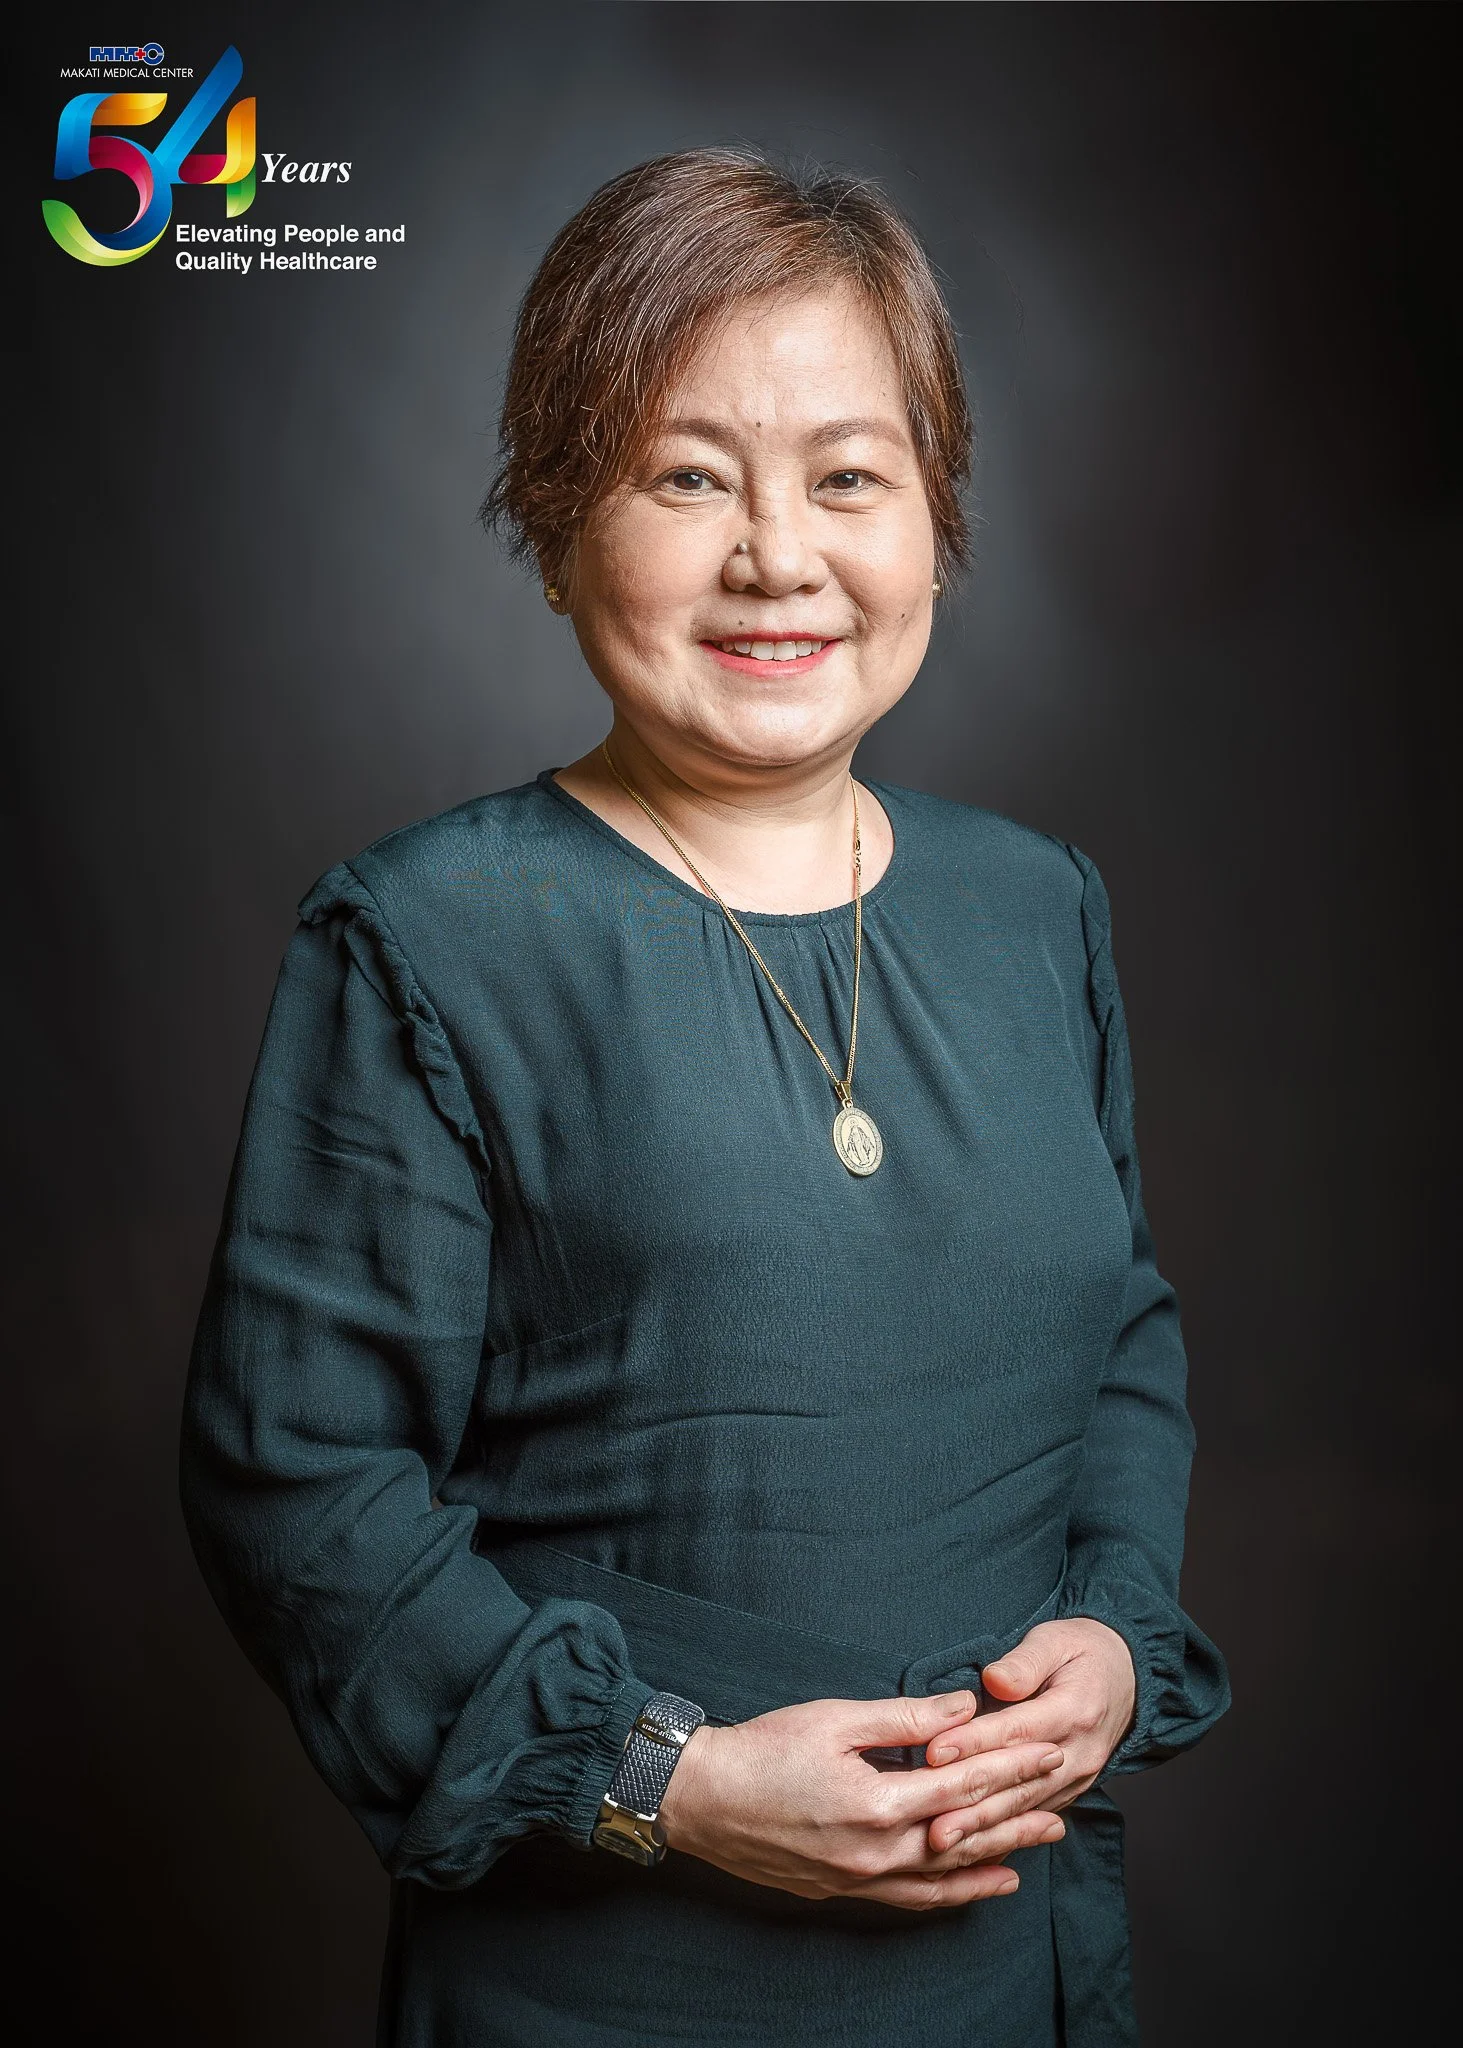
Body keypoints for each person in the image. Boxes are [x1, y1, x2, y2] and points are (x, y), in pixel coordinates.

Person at [181, 147, 1230, 2046]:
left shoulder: (1033, 906)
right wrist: (666, 1778)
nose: (779, 557)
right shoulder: (426, 939)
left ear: (935, 519)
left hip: (1011, 1961)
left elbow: (1122, 1335)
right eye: (686, 477)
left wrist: (1108, 1631)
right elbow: (298, 1489)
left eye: (850, 477)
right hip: (613, 1980)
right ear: (559, 516)